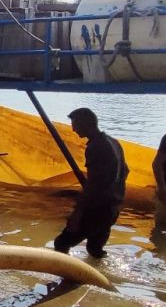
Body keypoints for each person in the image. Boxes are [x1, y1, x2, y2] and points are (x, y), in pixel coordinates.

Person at [53, 107, 129, 258]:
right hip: (112, 208)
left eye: (75, 124)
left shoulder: (96, 147)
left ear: (86, 124)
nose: (73, 129)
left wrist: (77, 212)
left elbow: (94, 184)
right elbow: (125, 171)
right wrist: (115, 194)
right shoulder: (113, 142)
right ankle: (99, 278)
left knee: (61, 243)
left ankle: (67, 278)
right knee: (95, 249)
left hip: (97, 209)